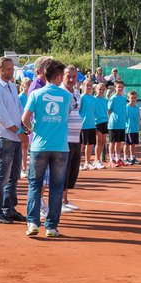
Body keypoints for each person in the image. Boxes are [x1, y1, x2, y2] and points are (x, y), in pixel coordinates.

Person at [22, 60, 72, 238]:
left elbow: (25, 119)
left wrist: (34, 128)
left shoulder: (35, 94)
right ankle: (51, 226)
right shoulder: (67, 96)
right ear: (58, 76)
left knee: (35, 185)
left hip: (39, 146)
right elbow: (66, 115)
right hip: (60, 147)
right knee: (56, 187)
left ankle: (32, 223)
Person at [0, 57, 24, 224]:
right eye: (7, 69)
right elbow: (2, 116)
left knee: (14, 176)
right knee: (2, 176)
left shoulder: (12, 86)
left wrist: (24, 125)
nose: (11, 71)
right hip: (3, 137)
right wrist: (20, 132)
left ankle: (9, 209)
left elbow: (19, 109)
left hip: (15, 136)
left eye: (12, 68)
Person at [61, 66, 82, 213]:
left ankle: (65, 200)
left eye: (74, 77)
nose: (71, 79)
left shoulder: (76, 92)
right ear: (62, 76)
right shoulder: (60, 92)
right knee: (63, 171)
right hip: (64, 138)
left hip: (76, 138)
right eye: (68, 76)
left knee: (73, 171)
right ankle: (60, 202)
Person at [106, 80, 128, 167]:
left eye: (122, 87)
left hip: (121, 124)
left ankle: (117, 158)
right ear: (115, 88)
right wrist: (113, 118)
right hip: (113, 124)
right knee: (112, 142)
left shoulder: (123, 98)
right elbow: (109, 110)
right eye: (118, 87)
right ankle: (111, 160)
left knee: (119, 142)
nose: (120, 88)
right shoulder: (112, 98)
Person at [79, 81, 99, 171]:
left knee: (89, 144)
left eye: (90, 85)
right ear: (83, 86)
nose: (89, 87)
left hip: (91, 124)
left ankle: (87, 162)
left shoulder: (93, 98)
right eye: (87, 85)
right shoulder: (81, 97)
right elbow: (78, 111)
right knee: (81, 145)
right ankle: (78, 163)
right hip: (83, 125)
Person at [93, 82, 110, 167]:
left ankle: (98, 160)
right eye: (100, 89)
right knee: (98, 142)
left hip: (104, 122)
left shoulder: (105, 100)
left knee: (103, 141)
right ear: (96, 90)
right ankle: (96, 160)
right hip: (97, 123)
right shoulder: (93, 99)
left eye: (103, 89)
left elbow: (107, 111)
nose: (101, 91)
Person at [124, 90, 141, 165]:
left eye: (135, 98)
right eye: (132, 98)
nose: (133, 99)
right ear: (128, 98)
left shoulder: (137, 107)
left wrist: (140, 119)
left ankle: (132, 158)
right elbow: (124, 117)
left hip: (135, 129)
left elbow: (138, 115)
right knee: (127, 144)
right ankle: (125, 158)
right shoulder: (126, 107)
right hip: (128, 129)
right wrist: (126, 126)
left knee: (133, 144)